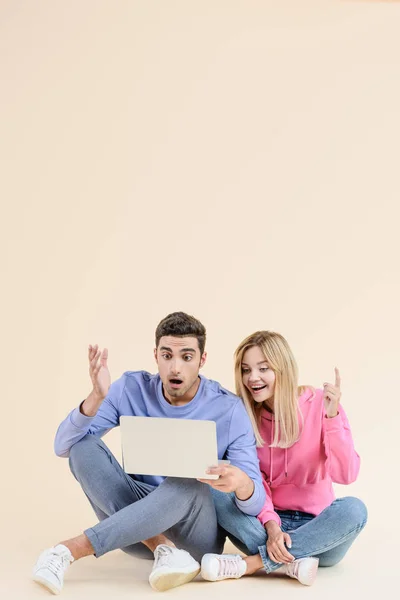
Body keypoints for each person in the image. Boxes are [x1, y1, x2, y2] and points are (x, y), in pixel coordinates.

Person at [32, 313, 266, 594]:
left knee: (192, 476)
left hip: (194, 538)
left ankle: (69, 550)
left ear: (202, 360)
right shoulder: (130, 388)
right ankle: (162, 548)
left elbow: (254, 505)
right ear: (155, 355)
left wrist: (240, 482)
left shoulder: (229, 408)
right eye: (167, 356)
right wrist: (96, 397)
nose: (175, 368)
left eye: (187, 357)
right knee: (83, 446)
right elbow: (63, 447)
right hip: (134, 536)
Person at [201, 330, 367, 586]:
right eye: (246, 370)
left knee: (355, 509)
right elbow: (255, 483)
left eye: (263, 368)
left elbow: (346, 475)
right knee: (214, 489)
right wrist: (272, 527)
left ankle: (252, 564)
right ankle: (294, 562)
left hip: (319, 530)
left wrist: (332, 420)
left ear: (283, 369)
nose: (252, 378)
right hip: (263, 528)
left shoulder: (321, 405)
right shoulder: (245, 417)